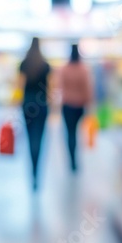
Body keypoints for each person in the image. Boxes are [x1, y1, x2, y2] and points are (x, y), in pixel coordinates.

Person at [18, 37, 52, 191]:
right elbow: (51, 88)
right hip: (42, 105)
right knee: (39, 137)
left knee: (30, 136)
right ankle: (37, 173)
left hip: (27, 105)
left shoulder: (23, 64)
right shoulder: (46, 66)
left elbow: (19, 86)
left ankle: (32, 172)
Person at [59, 44, 93, 173]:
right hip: (79, 106)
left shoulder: (64, 70)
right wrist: (89, 104)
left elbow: (60, 87)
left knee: (70, 133)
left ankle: (71, 159)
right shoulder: (83, 70)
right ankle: (76, 158)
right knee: (77, 132)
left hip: (67, 105)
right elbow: (88, 89)